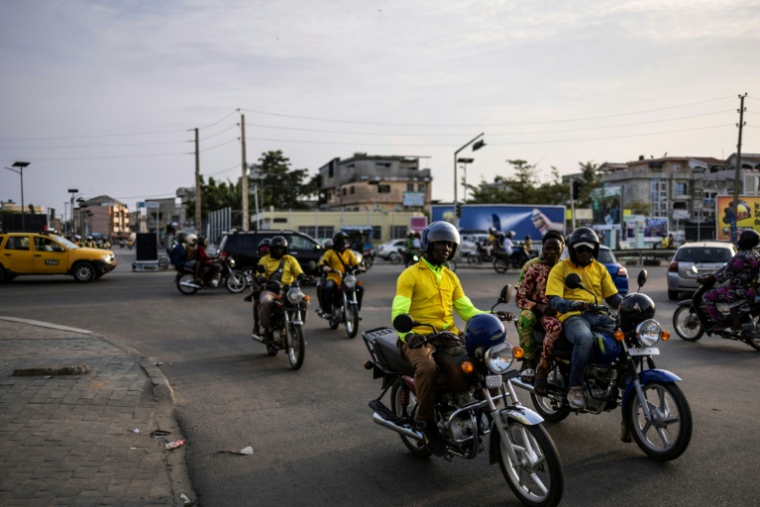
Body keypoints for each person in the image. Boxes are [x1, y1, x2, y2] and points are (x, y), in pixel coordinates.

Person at [392, 221, 489, 456]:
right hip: (418, 338)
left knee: (482, 361)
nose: (446, 248)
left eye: (450, 245)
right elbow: (399, 310)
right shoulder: (411, 275)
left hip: (447, 337)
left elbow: (466, 309)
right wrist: (408, 334)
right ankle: (425, 422)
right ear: (428, 244)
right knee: (427, 368)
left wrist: (490, 317)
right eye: (441, 243)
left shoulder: (450, 277)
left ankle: (484, 410)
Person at [545, 227, 622, 410]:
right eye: (580, 249)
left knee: (628, 333)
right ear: (572, 250)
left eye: (588, 249)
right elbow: (554, 299)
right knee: (584, 338)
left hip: (599, 315)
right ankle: (576, 387)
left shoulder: (600, 269)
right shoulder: (561, 268)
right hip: (574, 316)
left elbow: (612, 297)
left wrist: (627, 302)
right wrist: (573, 304)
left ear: (594, 250)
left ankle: (620, 378)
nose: (585, 253)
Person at [514, 231, 565, 388]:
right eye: (548, 248)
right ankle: (532, 364)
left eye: (555, 248)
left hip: (564, 313)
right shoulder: (533, 268)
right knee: (526, 317)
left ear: (562, 249)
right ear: (542, 249)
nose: (552, 252)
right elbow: (519, 298)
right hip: (538, 314)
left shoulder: (567, 269)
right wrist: (539, 306)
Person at [699, 229, 760, 332]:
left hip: (736, 290)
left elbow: (726, 273)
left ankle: (720, 323)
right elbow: (727, 268)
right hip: (750, 290)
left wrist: (710, 279)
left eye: (741, 238)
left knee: (706, 296)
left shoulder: (740, 256)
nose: (739, 240)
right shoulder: (756, 255)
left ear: (745, 241)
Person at [254, 236, 307, 343]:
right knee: (265, 302)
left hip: (288, 290)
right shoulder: (264, 260)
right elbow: (259, 274)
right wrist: (262, 278)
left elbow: (298, 271)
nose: (279, 250)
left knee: (304, 301)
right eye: (276, 248)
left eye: (281, 248)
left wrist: (303, 277)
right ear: (271, 249)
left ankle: (298, 325)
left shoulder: (290, 259)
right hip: (270, 290)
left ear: (285, 249)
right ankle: (267, 329)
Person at [319, 232, 364, 319]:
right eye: (341, 240)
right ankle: (328, 311)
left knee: (360, 289)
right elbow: (323, 262)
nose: (343, 241)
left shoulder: (349, 252)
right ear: (336, 241)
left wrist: (359, 267)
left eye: (345, 239)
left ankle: (356, 311)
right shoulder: (330, 252)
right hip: (333, 277)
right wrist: (325, 267)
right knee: (328, 288)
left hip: (346, 278)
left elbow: (355, 263)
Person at [315, 238, 334, 316]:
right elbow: (319, 266)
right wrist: (322, 268)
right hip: (326, 276)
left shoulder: (338, 254)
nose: (328, 249)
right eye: (327, 247)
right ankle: (322, 306)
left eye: (330, 247)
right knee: (319, 285)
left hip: (339, 276)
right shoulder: (323, 257)